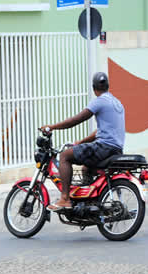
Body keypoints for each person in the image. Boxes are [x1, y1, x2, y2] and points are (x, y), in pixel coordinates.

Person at [42, 72, 125, 211]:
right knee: (87, 167)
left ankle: (65, 199)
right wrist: (81, 142)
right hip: (115, 149)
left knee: (65, 156)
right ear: (108, 86)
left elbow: (77, 119)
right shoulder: (117, 102)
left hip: (104, 147)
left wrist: (52, 127)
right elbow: (100, 131)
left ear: (94, 88)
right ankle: (90, 201)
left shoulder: (100, 101)